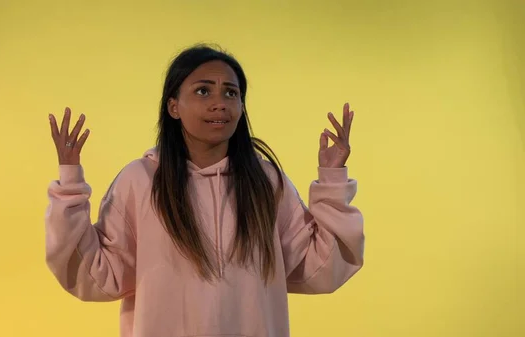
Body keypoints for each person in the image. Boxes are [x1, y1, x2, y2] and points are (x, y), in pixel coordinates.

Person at [44, 44, 364, 337]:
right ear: (173, 106)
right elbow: (97, 275)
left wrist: (332, 178)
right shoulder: (140, 182)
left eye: (230, 93)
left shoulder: (265, 182)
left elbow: (323, 268)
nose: (219, 104)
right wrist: (70, 183)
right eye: (202, 91)